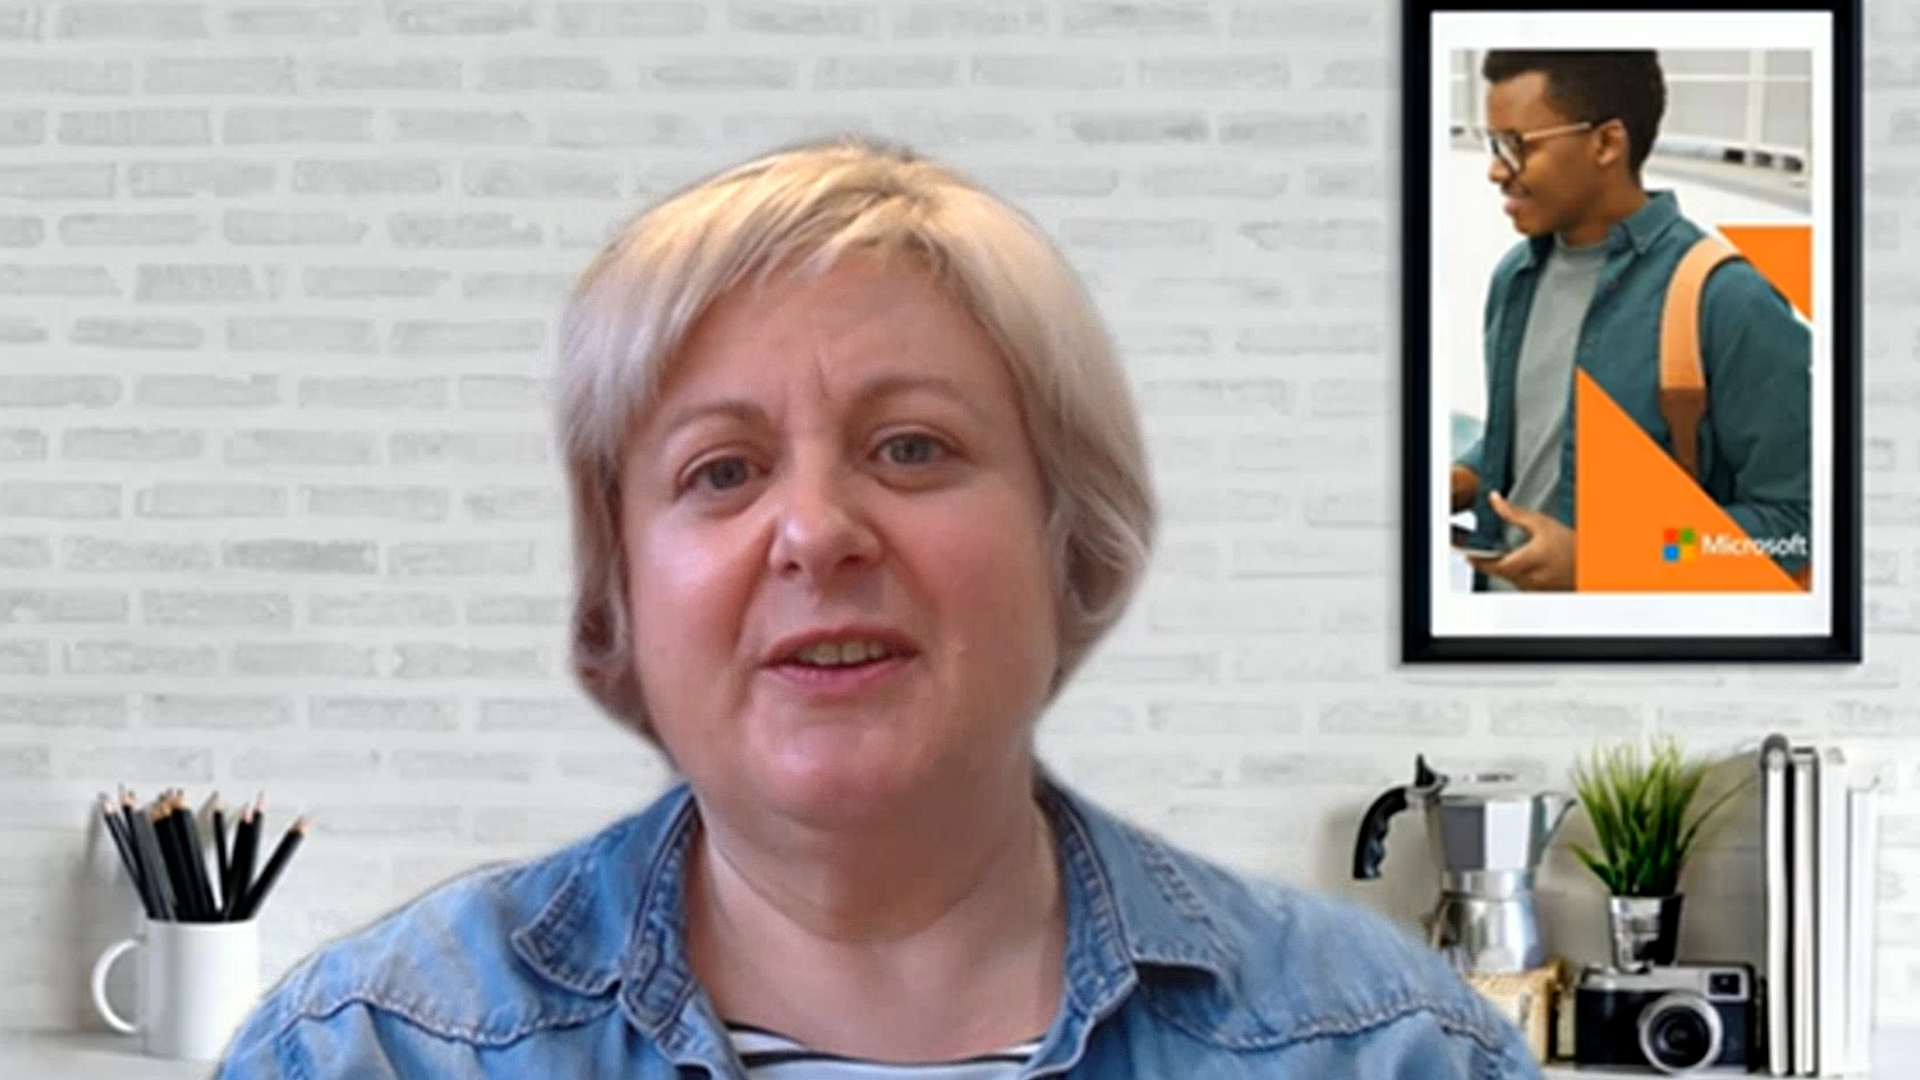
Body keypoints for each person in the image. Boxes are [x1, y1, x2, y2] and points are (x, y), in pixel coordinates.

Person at [213, 136, 1539, 1079]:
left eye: (910, 447)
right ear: (619, 587)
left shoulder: (1395, 1055)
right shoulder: (370, 1053)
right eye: (719, 472)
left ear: (1068, 535)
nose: (816, 532)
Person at [1450, 50, 1812, 592]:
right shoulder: (1515, 278)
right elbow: (1535, 437)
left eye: (1517, 145)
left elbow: (1794, 528)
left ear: (1607, 143)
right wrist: (1460, 482)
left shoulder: (1729, 300)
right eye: (1493, 143)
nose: (1497, 169)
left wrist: (1611, 558)